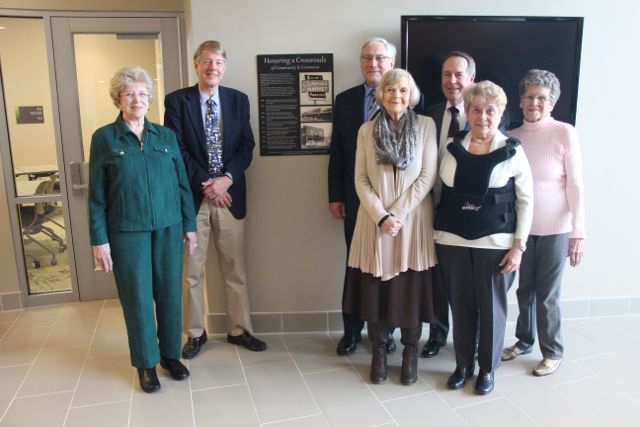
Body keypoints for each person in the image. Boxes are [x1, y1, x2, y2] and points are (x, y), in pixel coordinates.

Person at [88, 66, 197, 393]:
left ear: (150, 99)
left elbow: (182, 184)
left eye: (143, 94)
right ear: (118, 99)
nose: (137, 99)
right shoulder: (104, 138)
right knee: (136, 298)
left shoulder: (165, 136)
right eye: (130, 93)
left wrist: (189, 225)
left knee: (169, 293)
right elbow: (96, 195)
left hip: (168, 226)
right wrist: (99, 239)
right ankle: (145, 363)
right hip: (127, 231)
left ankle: (169, 356)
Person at [164, 40, 266, 359]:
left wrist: (226, 180)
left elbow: (246, 146)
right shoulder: (177, 101)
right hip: (193, 199)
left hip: (230, 196)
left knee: (235, 267)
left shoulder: (238, 100)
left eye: (218, 62)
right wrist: (206, 184)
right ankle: (195, 333)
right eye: (207, 61)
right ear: (196, 65)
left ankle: (238, 330)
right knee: (191, 270)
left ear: (224, 66)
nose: (212, 68)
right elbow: (175, 148)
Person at [434, 81, 533, 395]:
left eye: (490, 110)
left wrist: (519, 246)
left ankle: (487, 369)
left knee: (491, 309)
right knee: (461, 307)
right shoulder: (451, 148)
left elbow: (525, 201)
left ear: (501, 112)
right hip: (452, 241)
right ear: (468, 111)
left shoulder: (513, 152)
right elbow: (439, 192)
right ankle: (463, 365)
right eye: (476, 109)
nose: (483, 116)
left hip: (497, 245)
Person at [343, 68, 438, 385]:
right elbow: (360, 179)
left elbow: (427, 177)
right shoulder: (366, 131)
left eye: (402, 90)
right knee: (376, 293)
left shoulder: (426, 126)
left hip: (413, 224)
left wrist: (397, 213)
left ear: (411, 95)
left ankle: (410, 354)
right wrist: (382, 216)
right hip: (375, 223)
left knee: (410, 291)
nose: (396, 96)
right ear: (380, 95)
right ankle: (380, 354)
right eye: (389, 90)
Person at [422, 50, 509, 358]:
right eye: (447, 74)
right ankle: (437, 335)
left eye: (459, 74)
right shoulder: (429, 113)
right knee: (441, 282)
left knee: (478, 293)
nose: (452, 81)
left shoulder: (492, 116)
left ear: (472, 78)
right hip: (436, 211)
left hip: (480, 223)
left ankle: (479, 354)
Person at [502, 69, 585, 376]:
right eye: (528, 96)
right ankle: (524, 341)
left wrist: (579, 233)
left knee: (547, 294)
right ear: (520, 100)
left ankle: (552, 350)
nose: (534, 103)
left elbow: (576, 184)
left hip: (555, 229)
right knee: (525, 291)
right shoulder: (512, 137)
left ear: (553, 102)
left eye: (541, 98)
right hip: (522, 231)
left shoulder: (565, 132)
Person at [328, 37, 399, 356]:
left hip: (394, 203)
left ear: (392, 63)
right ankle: (352, 332)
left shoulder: (405, 100)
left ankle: (387, 331)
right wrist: (335, 195)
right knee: (355, 267)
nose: (374, 64)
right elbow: (337, 152)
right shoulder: (344, 100)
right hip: (355, 201)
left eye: (380, 58)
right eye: (367, 58)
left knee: (391, 268)